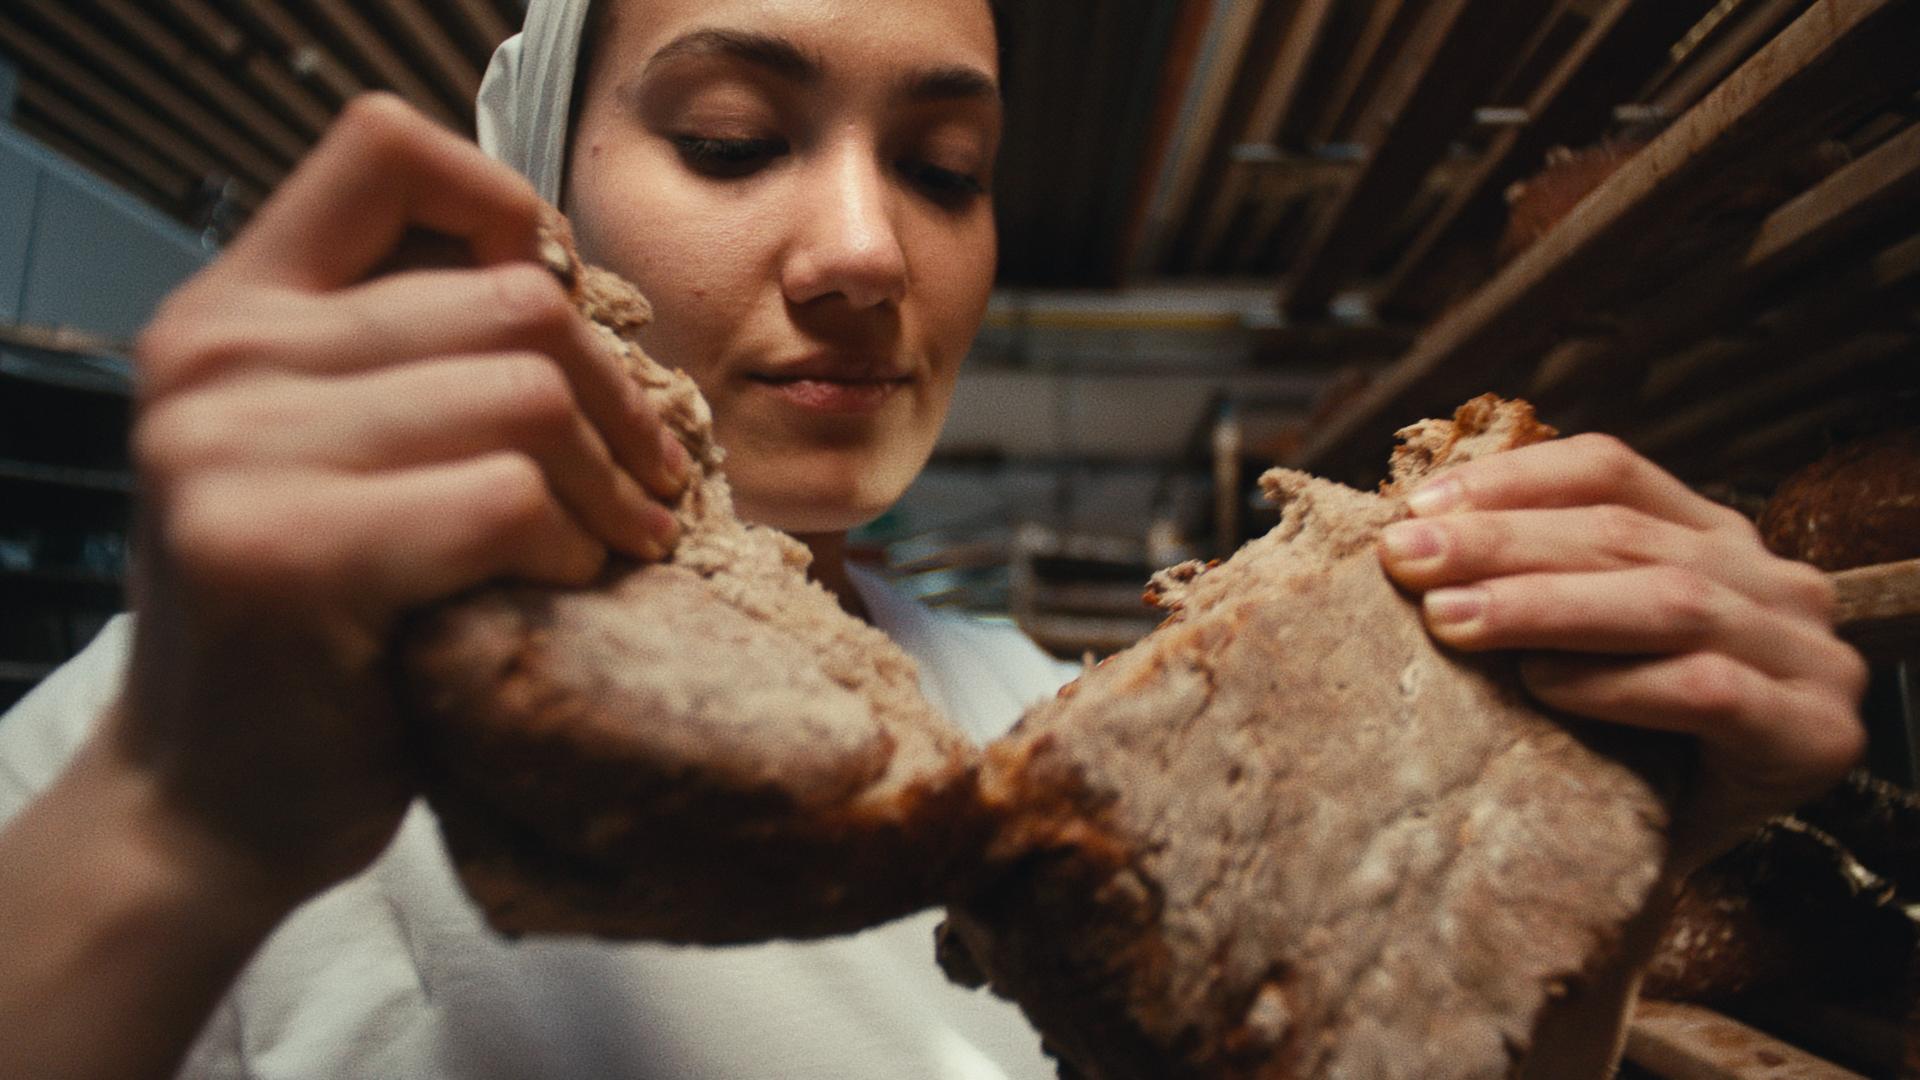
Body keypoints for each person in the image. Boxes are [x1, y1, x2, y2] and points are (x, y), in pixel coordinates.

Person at [0, 0, 1868, 1077]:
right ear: (536, 200)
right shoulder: (198, 727)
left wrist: (1553, 858)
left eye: (947, 172)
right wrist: (171, 830)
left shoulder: (1037, 713)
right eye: (733, 140)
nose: (871, 253)